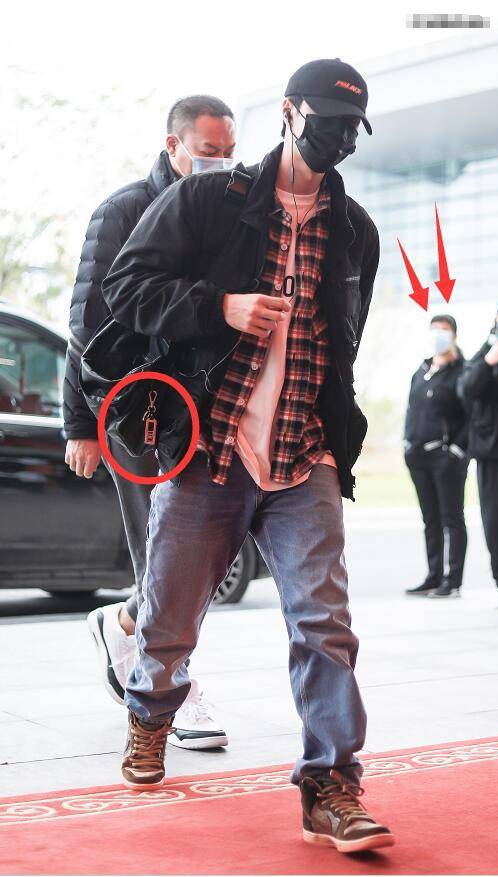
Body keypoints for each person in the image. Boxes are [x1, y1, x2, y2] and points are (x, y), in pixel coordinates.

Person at [102, 58, 394, 855]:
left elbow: (343, 346)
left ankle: (331, 786)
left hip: (304, 454)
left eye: (352, 128)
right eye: (327, 121)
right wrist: (218, 307)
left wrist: (337, 434)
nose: (339, 138)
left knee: (325, 626)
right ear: (291, 113)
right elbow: (126, 287)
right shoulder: (208, 201)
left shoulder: (356, 231)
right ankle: (150, 709)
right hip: (211, 448)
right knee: (168, 614)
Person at [63, 95, 236, 749]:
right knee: (164, 557)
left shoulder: (229, 214)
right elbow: (86, 323)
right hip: (137, 412)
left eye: (230, 152)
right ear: (174, 146)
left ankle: (125, 625)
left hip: (203, 411)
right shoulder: (124, 210)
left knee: (203, 559)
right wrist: (80, 423)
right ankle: (174, 691)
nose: (221, 163)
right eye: (209, 151)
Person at [404, 315, 469, 598]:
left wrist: (456, 451)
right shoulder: (421, 371)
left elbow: (470, 418)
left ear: (454, 335)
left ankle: (452, 581)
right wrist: (407, 444)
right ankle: (433, 576)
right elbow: (411, 409)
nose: (437, 335)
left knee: (451, 519)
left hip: (446, 459)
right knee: (430, 519)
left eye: (443, 330)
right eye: (434, 330)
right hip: (418, 456)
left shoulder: (462, 372)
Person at [459, 299, 498, 596]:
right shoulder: (485, 354)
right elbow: (466, 389)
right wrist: (489, 361)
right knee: (495, 519)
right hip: (492, 453)